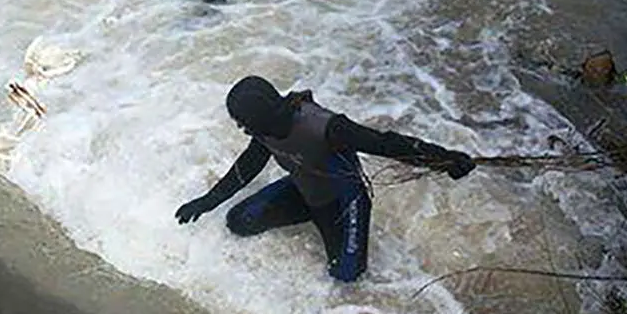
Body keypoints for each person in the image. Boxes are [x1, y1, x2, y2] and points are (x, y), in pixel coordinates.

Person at [174, 75, 476, 283]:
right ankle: (306, 217)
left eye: (243, 122)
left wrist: (444, 158)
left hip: (345, 202)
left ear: (260, 117)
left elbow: (385, 143)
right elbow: (246, 168)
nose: (241, 128)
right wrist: (207, 201)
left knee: (345, 278)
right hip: (306, 193)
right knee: (239, 222)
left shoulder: (325, 126)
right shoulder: (264, 130)